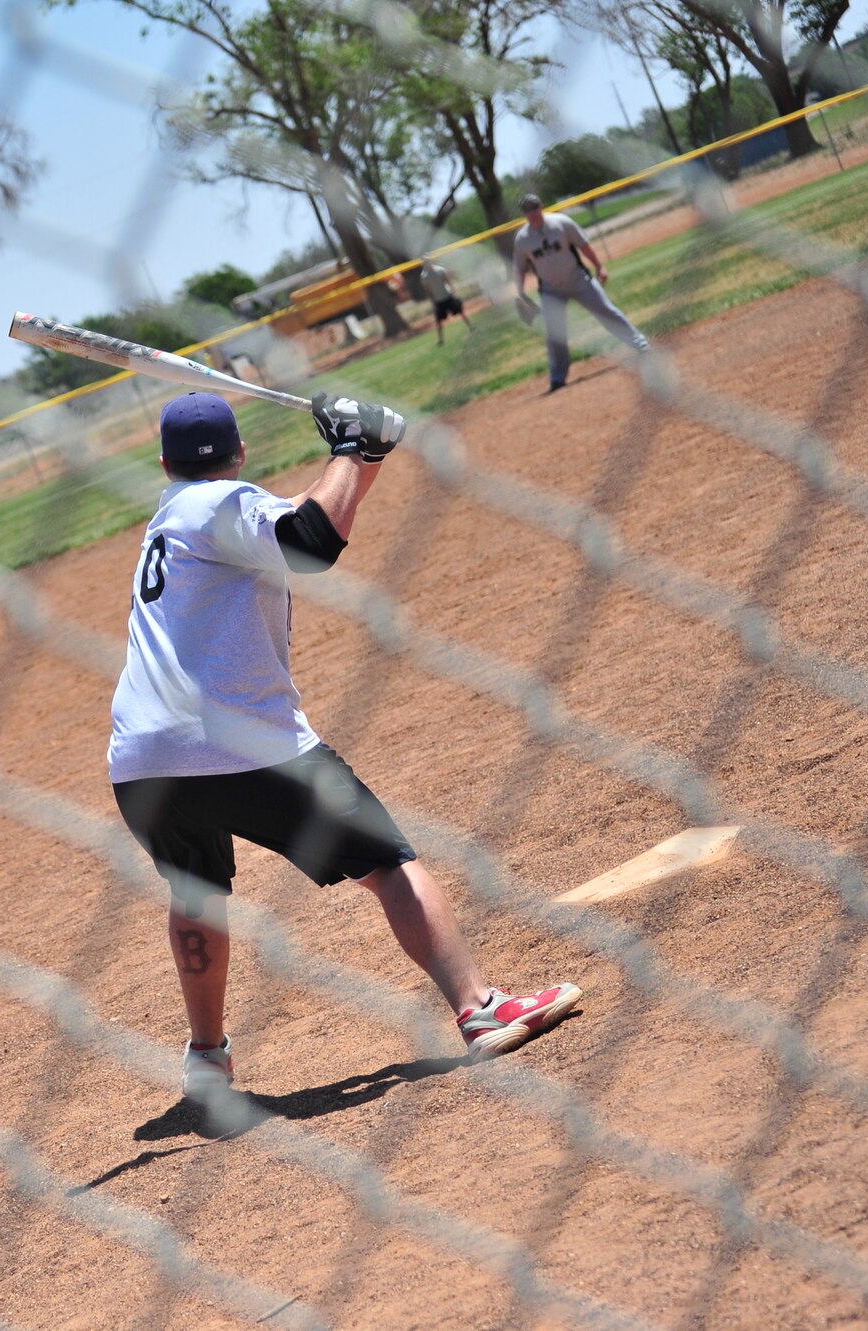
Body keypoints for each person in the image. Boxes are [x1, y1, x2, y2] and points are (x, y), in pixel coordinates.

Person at [108, 391, 581, 1098]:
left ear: (164, 463)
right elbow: (310, 540)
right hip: (243, 745)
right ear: (238, 452)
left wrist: (366, 457)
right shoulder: (227, 504)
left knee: (197, 892)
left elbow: (306, 519)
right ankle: (480, 1008)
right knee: (387, 861)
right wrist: (346, 450)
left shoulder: (172, 519)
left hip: (142, 759)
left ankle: (207, 1058)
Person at [512, 193, 650, 393]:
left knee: (607, 312)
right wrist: (520, 292)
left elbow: (583, 246)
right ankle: (558, 378)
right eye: (527, 210)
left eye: (534, 207)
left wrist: (599, 267)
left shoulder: (561, 223)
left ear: (541, 206)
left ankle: (641, 346)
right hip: (551, 291)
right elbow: (520, 267)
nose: (532, 213)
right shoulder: (522, 239)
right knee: (554, 333)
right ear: (523, 214)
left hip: (578, 280)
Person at [419, 257, 469, 345]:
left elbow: (448, 281)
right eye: (425, 262)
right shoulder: (424, 276)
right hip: (438, 300)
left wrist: (454, 292)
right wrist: (433, 302)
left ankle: (471, 326)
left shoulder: (440, 270)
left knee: (460, 311)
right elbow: (428, 290)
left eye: (428, 261)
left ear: (431, 261)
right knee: (438, 320)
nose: (427, 263)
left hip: (448, 295)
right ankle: (440, 339)